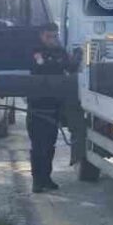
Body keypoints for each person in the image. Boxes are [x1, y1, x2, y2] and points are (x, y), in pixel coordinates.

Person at [27, 25, 77, 193]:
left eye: (55, 36)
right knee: (38, 146)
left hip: (54, 106)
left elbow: (70, 67)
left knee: (50, 144)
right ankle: (37, 180)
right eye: (49, 36)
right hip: (37, 106)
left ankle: (46, 178)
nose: (53, 39)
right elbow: (41, 67)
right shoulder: (35, 50)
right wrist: (57, 63)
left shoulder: (60, 52)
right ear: (42, 36)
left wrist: (76, 58)